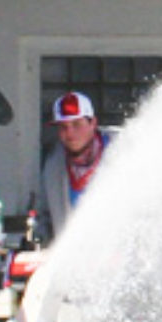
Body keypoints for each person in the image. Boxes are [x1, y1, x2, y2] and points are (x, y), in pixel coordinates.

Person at [37, 91, 111, 242]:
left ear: (93, 123)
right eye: (63, 126)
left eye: (77, 124)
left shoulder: (122, 150)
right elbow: (43, 216)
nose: (69, 134)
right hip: (74, 261)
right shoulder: (53, 164)